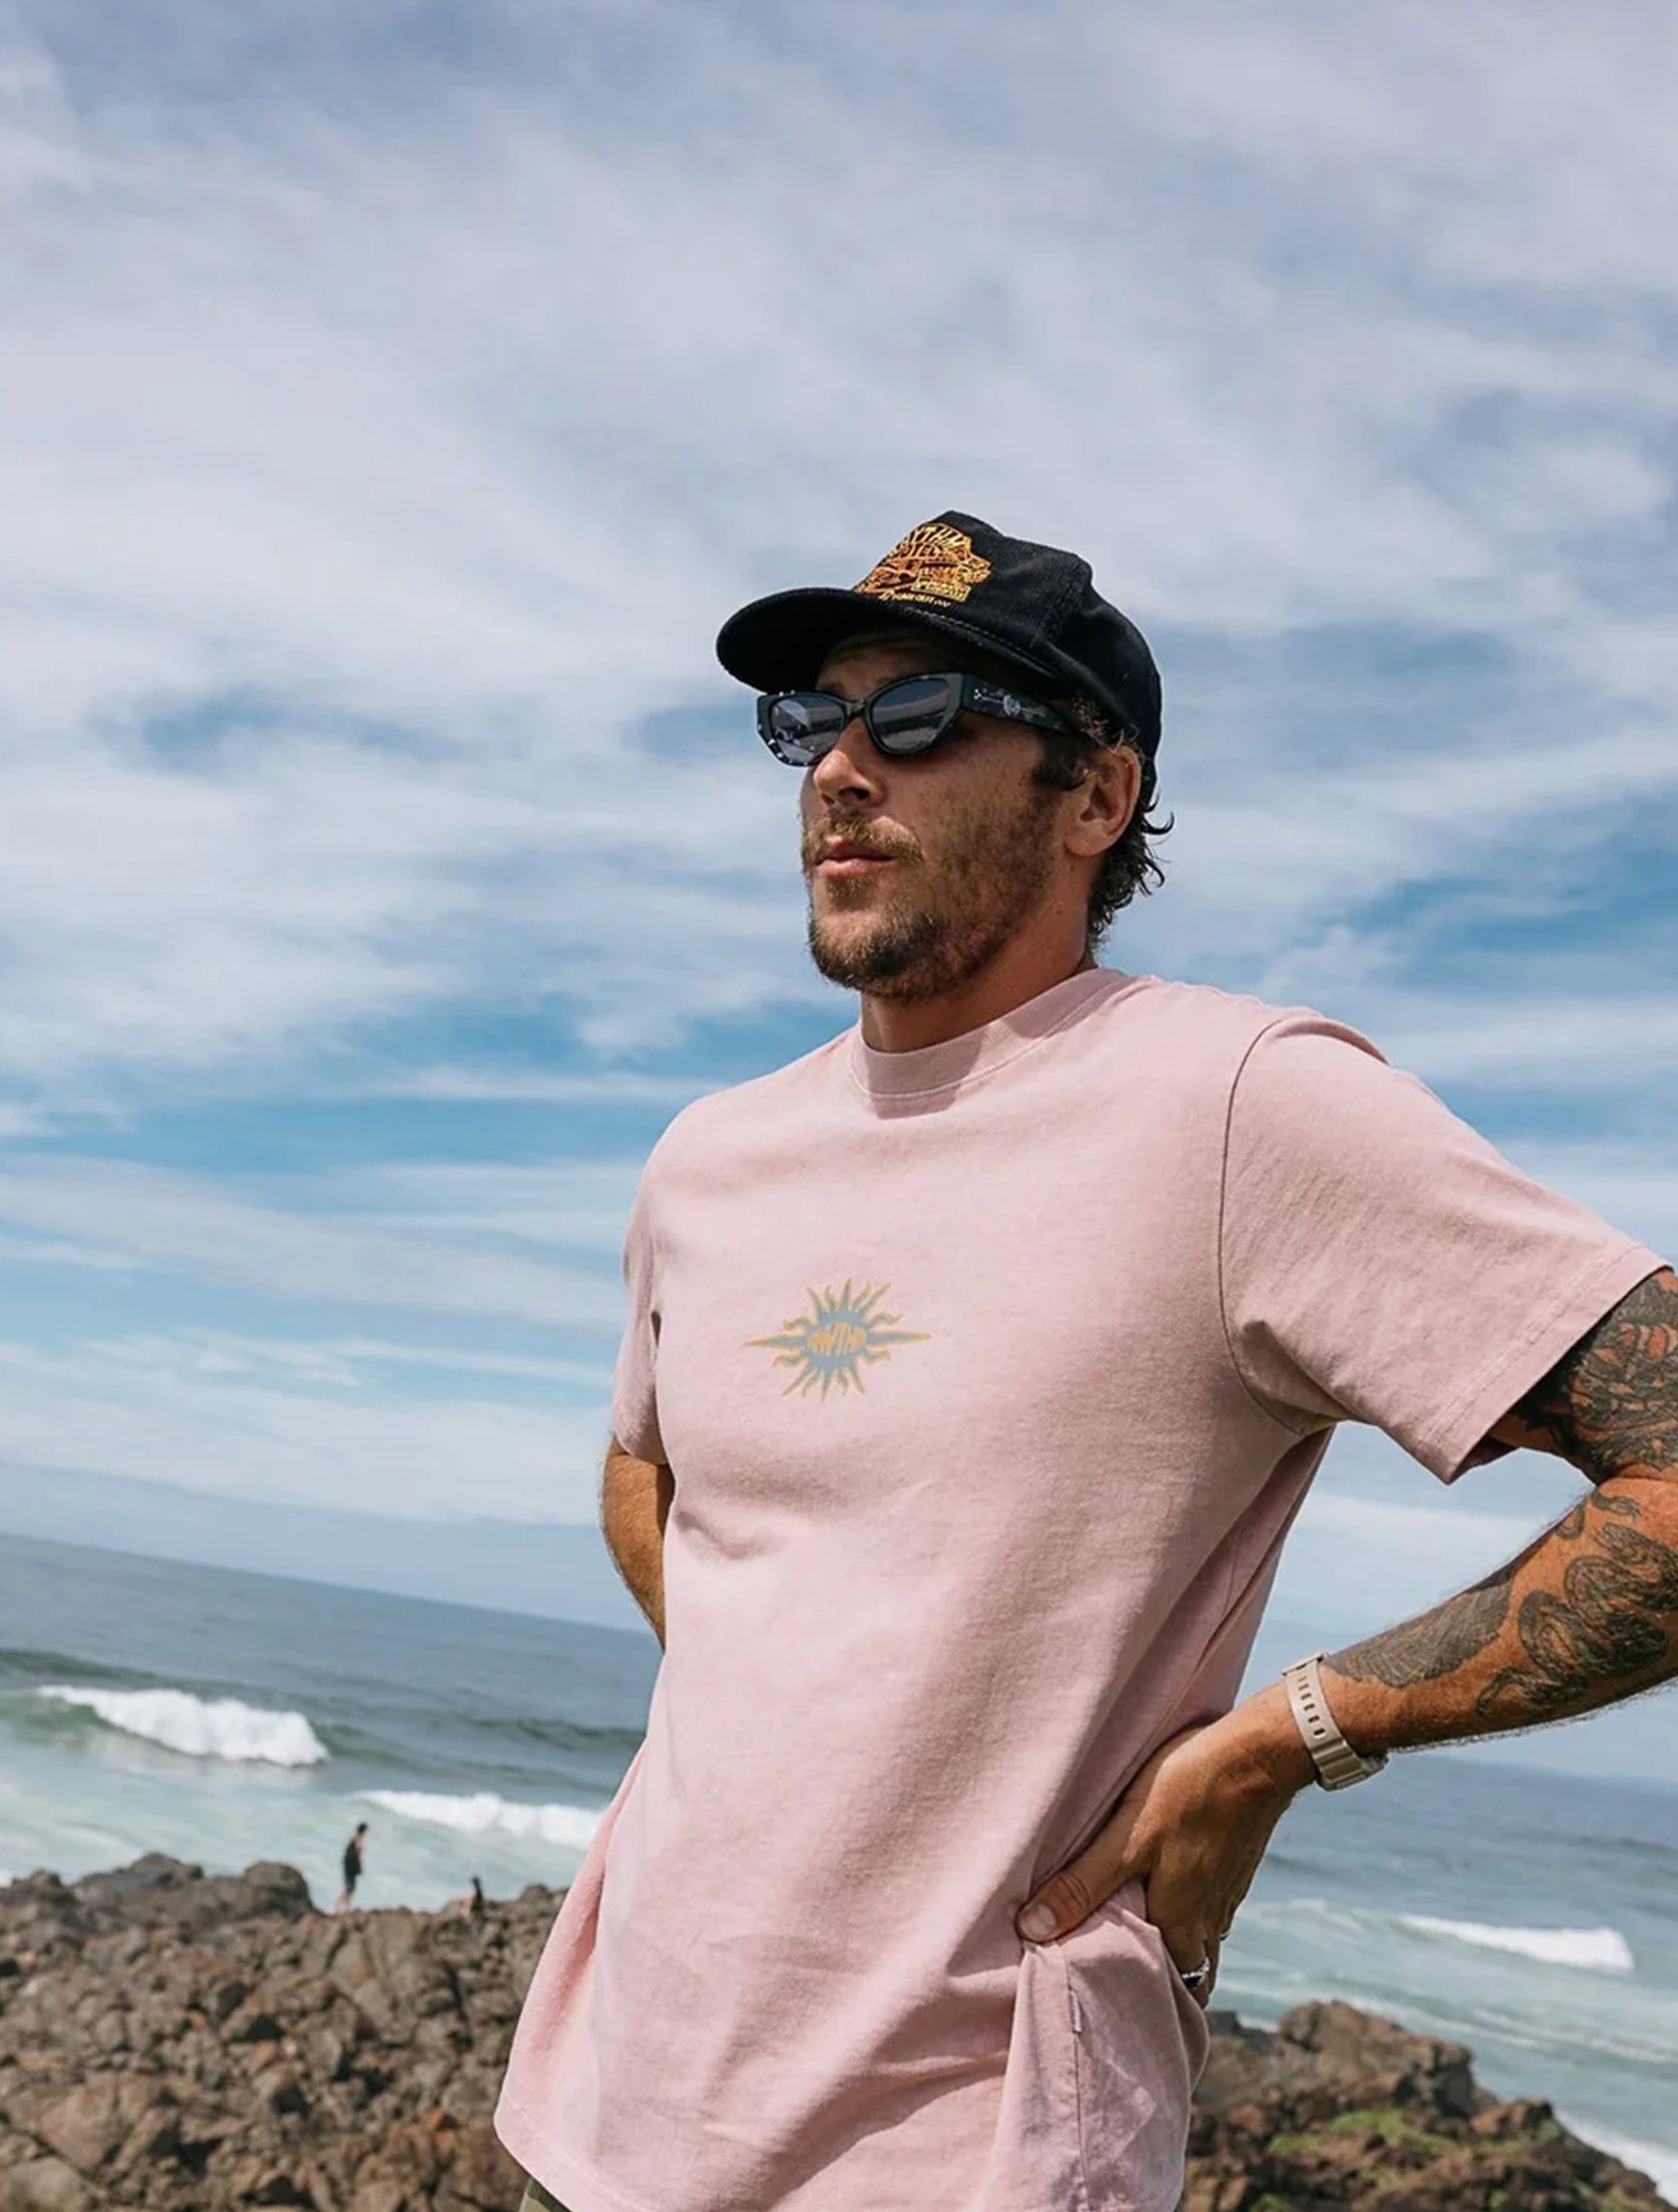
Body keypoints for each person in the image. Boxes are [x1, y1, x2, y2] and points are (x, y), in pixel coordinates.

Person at [494, 512, 1677, 2212]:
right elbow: (646, 1463)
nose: (841, 770)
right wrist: (807, 1723)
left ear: (1097, 797)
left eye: (921, 717)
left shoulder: (1244, 1108)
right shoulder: (708, 1156)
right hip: (605, 2096)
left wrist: (1294, 1737)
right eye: (811, 720)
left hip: (972, 2149)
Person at [334, 1820, 366, 1914]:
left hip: (347, 1864)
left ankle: (345, 1907)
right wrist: (359, 1867)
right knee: (350, 1887)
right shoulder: (359, 1839)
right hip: (351, 1866)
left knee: (350, 1887)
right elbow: (358, 1854)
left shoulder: (353, 1838)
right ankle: (338, 1907)